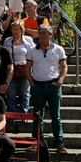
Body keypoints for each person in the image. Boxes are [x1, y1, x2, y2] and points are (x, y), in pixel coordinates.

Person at [26, 24, 68, 154]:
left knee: (56, 116)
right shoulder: (32, 50)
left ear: (51, 35)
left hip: (53, 85)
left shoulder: (58, 49)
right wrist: (31, 83)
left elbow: (64, 66)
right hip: (37, 86)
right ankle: (36, 142)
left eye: (46, 33)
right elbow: (27, 68)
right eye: (41, 33)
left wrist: (61, 80)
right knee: (38, 116)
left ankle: (59, 143)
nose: (43, 36)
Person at [2, 21, 34, 112]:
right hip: (11, 70)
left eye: (17, 29)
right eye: (13, 29)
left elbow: (33, 54)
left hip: (24, 69)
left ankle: (24, 114)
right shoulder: (8, 40)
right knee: (11, 93)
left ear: (21, 30)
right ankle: (12, 114)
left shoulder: (28, 40)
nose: (14, 31)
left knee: (24, 93)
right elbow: (4, 54)